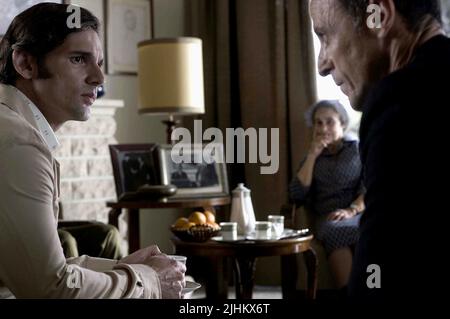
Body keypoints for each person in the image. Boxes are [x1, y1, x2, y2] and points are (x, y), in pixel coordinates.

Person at [0, 3, 185, 298]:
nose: (99, 78)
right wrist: (147, 281)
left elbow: (39, 271)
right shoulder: (18, 144)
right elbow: (50, 289)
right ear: (25, 64)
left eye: (98, 61)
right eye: (78, 59)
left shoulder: (15, 129)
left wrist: (122, 269)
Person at [310, 0, 448, 302]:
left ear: (379, 17)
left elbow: (379, 273)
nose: (322, 64)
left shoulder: (401, 101)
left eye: (325, 36)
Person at [289, 100, 365, 289]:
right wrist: (313, 155)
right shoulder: (312, 156)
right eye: (318, 122)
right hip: (327, 218)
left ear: (342, 124)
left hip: (357, 213)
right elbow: (296, 194)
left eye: (330, 121)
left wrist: (351, 210)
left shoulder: (357, 150)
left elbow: (370, 188)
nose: (323, 128)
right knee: (334, 229)